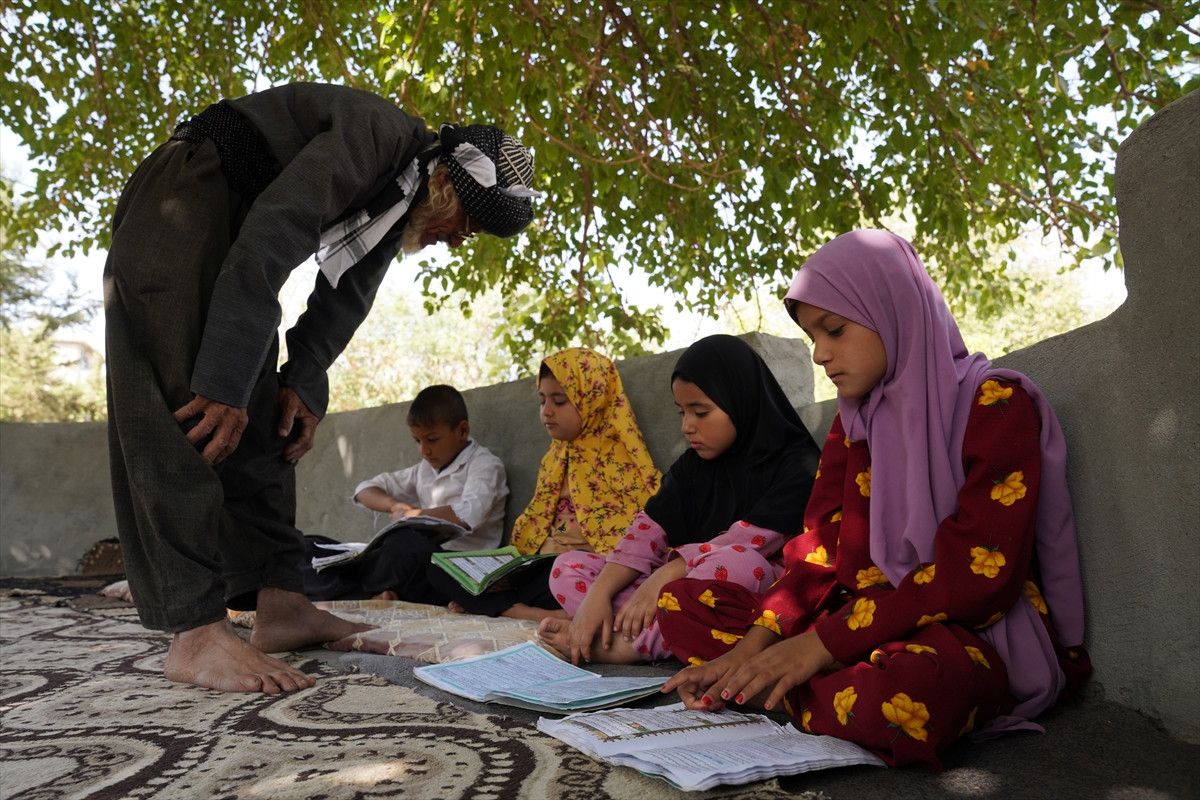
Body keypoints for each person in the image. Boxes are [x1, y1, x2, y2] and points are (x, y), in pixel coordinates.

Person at [103, 82, 538, 694]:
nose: (459, 240)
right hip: (185, 201)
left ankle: (282, 604)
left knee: (269, 415)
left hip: (234, 235)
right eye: (467, 223)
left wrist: (304, 382)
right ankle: (194, 633)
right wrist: (226, 378)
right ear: (447, 184)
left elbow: (346, 298)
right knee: (190, 403)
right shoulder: (380, 137)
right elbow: (276, 232)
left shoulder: (398, 204)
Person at [659, 230, 1089, 768]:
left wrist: (818, 648)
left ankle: (776, 688)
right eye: (811, 336)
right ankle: (766, 679)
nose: (819, 354)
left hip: (960, 628)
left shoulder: (997, 404)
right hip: (850, 624)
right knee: (682, 603)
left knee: (920, 690)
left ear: (892, 310)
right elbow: (821, 550)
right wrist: (751, 649)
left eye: (834, 330)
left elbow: (978, 578)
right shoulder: (852, 424)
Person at [538, 335, 822, 665]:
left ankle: (625, 647)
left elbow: (749, 542)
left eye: (700, 412)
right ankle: (617, 628)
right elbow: (646, 532)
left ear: (741, 401)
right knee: (567, 567)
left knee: (740, 563)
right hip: (670, 596)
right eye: (682, 412)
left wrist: (666, 575)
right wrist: (598, 596)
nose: (687, 427)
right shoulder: (692, 467)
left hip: (738, 599)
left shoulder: (798, 465)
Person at [431, 347, 660, 621]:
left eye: (559, 401)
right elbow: (535, 526)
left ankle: (513, 609)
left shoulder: (621, 459)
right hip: (534, 566)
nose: (547, 411)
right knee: (438, 567)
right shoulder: (554, 458)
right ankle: (516, 606)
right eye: (542, 400)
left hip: (581, 571)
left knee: (560, 573)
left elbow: (635, 541)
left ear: (593, 399)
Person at [301, 384, 508, 603]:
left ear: (462, 431)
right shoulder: (425, 469)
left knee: (405, 544)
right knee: (308, 547)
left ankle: (360, 592)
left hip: (457, 569)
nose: (424, 450)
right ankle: (371, 594)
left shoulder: (485, 465)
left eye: (432, 440)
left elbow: (469, 514)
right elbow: (364, 490)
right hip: (409, 566)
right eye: (417, 441)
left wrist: (416, 516)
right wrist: (395, 506)